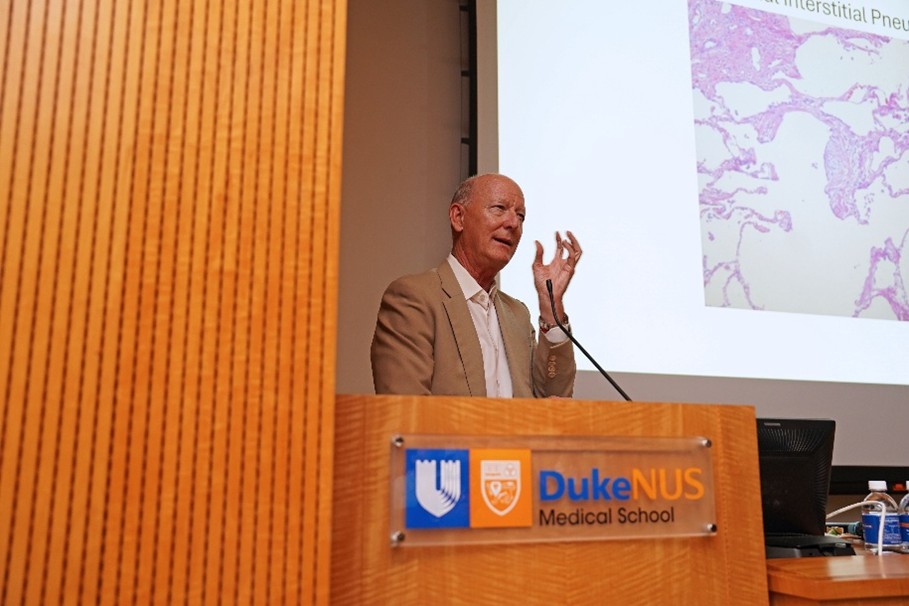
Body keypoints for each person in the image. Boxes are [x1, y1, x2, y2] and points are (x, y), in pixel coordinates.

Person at [370, 173, 582, 397]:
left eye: (521, 216)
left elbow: (554, 402)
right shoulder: (414, 298)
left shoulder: (517, 315)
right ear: (458, 217)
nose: (513, 224)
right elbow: (406, 411)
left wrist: (551, 307)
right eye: (499, 208)